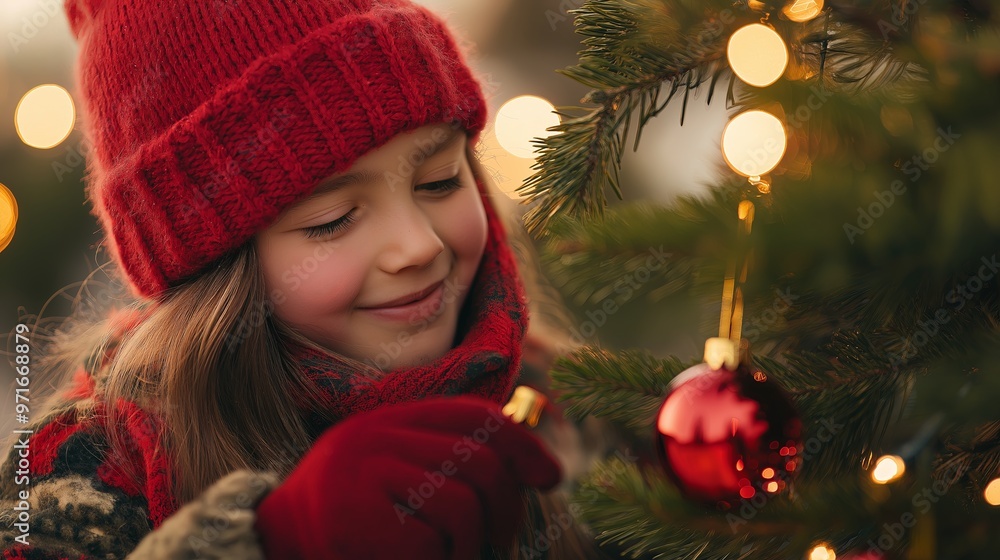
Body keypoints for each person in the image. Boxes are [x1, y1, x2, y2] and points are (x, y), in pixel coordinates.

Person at [0, 0, 618, 558]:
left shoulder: (571, 405)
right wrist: (271, 542)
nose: (418, 246)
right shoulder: (79, 471)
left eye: (439, 181)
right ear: (215, 272)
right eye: (332, 220)